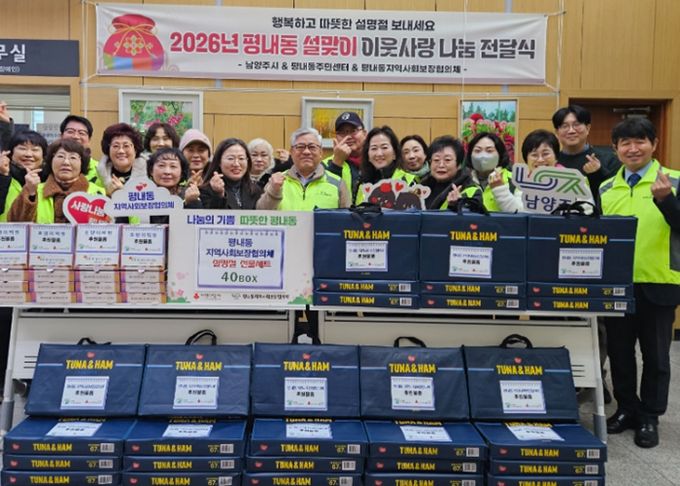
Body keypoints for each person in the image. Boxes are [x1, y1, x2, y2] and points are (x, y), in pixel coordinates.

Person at [600, 117, 680, 448]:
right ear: (616, 148)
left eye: (640, 141)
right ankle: (626, 409)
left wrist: (667, 200)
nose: (633, 148)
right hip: (617, 283)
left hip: (660, 280)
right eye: (626, 143)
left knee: (656, 356)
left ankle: (649, 416)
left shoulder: (673, 181)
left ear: (654, 144)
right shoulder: (607, 188)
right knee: (619, 353)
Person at [8, 139, 104, 223]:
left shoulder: (98, 193)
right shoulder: (35, 190)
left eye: (73, 158)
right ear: (50, 161)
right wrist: (31, 193)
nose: (66, 162)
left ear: (82, 164)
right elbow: (16, 224)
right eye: (60, 156)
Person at [257, 128, 350, 211]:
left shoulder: (337, 183)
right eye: (300, 147)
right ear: (291, 152)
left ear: (321, 152)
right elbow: (261, 215)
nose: (306, 152)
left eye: (312, 147)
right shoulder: (276, 181)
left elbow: (347, 220)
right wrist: (274, 191)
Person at [552, 105, 620, 202]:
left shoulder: (610, 159)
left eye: (577, 124)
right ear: (557, 133)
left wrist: (598, 173)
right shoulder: (551, 162)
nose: (571, 131)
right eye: (564, 126)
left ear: (588, 128)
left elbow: (615, 196)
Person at [356, 126, 416, 205]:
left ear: (394, 153)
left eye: (384, 147)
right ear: (368, 155)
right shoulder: (362, 183)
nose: (379, 154)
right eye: (374, 148)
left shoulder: (408, 182)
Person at [419, 135, 481, 210]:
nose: (441, 165)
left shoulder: (471, 191)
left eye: (447, 160)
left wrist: (457, 206)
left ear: (459, 165)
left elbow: (474, 215)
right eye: (436, 160)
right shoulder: (420, 188)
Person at [200, 138, 262, 210]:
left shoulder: (255, 190)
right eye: (230, 158)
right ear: (219, 162)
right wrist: (218, 195)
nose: (236, 164)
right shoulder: (206, 190)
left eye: (241, 158)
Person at [465, 132, 521, 212]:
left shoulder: (515, 180)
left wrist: (500, 190)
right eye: (477, 151)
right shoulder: (463, 181)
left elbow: (521, 212)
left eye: (489, 151)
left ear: (500, 154)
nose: (483, 156)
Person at [0, 130, 48, 222]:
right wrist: (3, 176)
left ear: (44, 156)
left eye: (35, 150)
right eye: (22, 149)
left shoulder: (50, 180)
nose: (28, 154)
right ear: (10, 153)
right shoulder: (3, 176)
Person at [147, 147, 202, 223]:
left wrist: (191, 202)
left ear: (182, 172)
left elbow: (196, 225)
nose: (167, 172)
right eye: (161, 165)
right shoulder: (143, 197)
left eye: (173, 166)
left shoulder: (190, 195)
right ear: (151, 171)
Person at [324, 111, 366, 200]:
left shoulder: (375, 162)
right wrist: (336, 163)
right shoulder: (324, 165)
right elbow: (324, 197)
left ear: (364, 134)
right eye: (342, 132)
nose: (348, 137)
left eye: (353, 131)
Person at [97, 123, 146, 196]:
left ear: (135, 149)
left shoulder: (149, 173)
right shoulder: (98, 175)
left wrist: (123, 194)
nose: (121, 151)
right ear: (108, 150)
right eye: (115, 146)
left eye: (126, 146)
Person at [59, 114, 99, 184]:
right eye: (70, 131)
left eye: (81, 133)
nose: (76, 136)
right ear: (61, 136)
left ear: (89, 139)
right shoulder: (50, 166)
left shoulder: (100, 170)